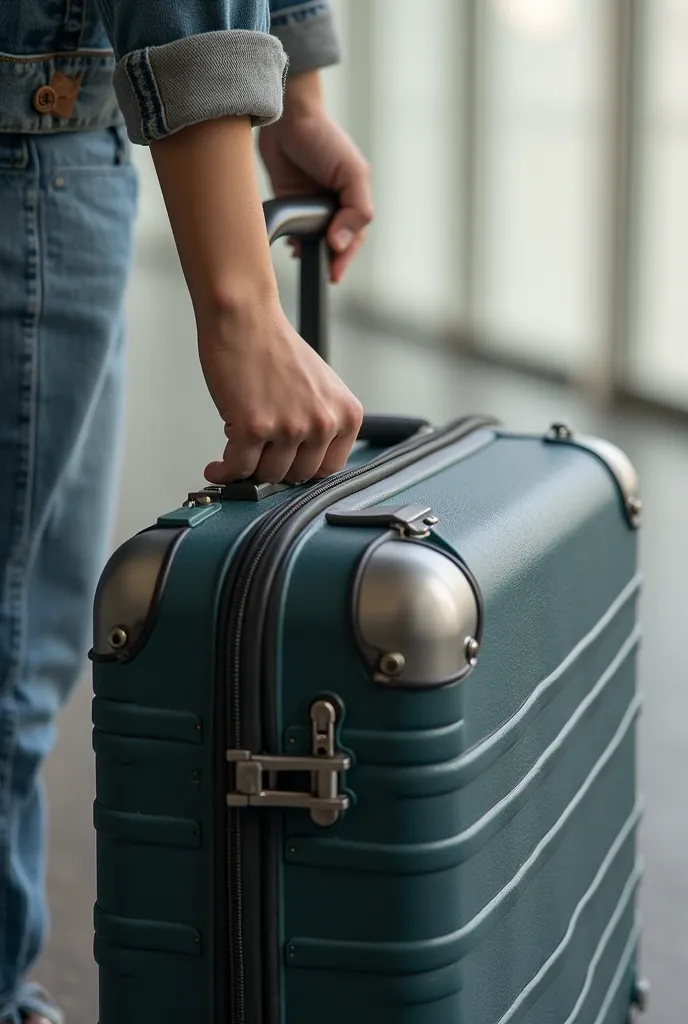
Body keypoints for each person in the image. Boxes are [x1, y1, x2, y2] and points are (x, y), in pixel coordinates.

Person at [0, 0, 373, 1020]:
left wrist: (292, 92)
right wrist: (242, 309)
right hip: (30, 137)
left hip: (54, 137)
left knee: (24, 655)